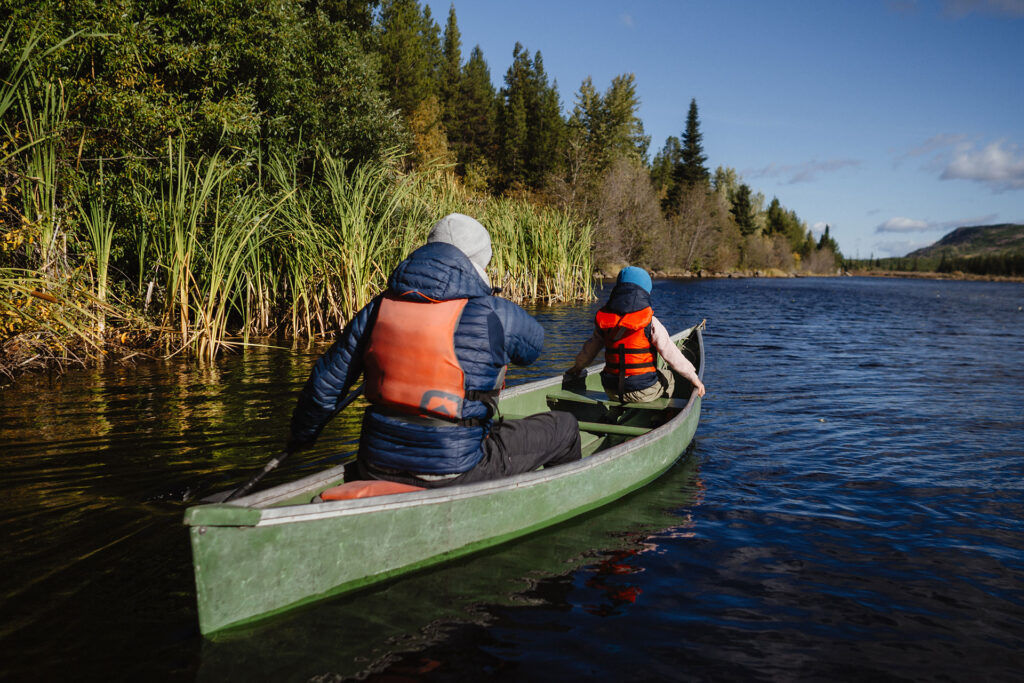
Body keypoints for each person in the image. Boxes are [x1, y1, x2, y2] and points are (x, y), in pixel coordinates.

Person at [288, 213, 582, 488]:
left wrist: (303, 436)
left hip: (374, 464)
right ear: (481, 262)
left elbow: (324, 386)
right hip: (453, 470)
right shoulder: (495, 313)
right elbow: (532, 351)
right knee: (566, 426)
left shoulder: (379, 306)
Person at [565, 266, 706, 403]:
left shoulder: (605, 320)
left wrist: (577, 368)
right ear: (645, 292)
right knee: (669, 377)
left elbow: (589, 351)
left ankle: (616, 411)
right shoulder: (650, 321)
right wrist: (694, 378)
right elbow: (671, 354)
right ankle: (664, 414)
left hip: (610, 389)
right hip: (643, 391)